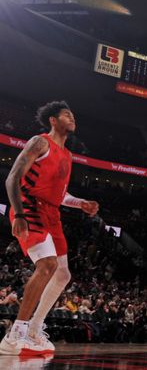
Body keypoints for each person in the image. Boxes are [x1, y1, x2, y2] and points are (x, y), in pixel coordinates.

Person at [0, 101, 100, 356]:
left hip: (51, 213)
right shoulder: (40, 142)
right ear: (53, 120)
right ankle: (15, 334)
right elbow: (12, 177)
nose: (72, 117)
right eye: (67, 114)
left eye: (73, 113)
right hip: (30, 206)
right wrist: (19, 213)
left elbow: (61, 195)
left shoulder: (67, 155)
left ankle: (34, 328)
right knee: (47, 265)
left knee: (63, 275)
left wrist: (81, 204)